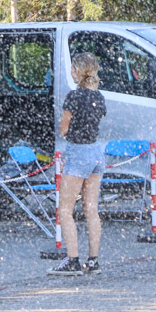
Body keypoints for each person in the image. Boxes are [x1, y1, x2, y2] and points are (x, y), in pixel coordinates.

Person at [48, 53, 107, 276]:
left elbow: (63, 129)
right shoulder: (99, 96)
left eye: (73, 69)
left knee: (65, 209)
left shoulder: (74, 96)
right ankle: (93, 260)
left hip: (79, 152)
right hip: (96, 152)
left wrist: (69, 130)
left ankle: (72, 259)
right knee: (91, 208)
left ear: (78, 71)